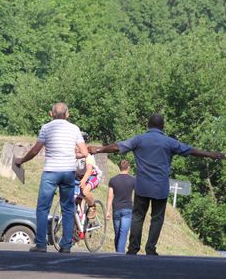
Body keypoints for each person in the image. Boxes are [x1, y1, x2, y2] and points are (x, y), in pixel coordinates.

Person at [90, 114, 225, 256]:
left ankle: (133, 248)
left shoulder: (139, 139)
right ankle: (150, 248)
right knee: (157, 218)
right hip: (160, 187)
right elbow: (191, 150)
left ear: (148, 125)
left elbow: (117, 147)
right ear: (163, 126)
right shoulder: (169, 142)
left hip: (142, 186)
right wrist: (210, 154)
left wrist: (99, 149)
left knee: (138, 217)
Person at [14, 102, 88, 253]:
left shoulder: (46, 128)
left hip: (50, 172)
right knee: (68, 208)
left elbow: (35, 150)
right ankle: (66, 245)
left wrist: (21, 160)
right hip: (68, 172)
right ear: (67, 114)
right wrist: (70, 154)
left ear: (51, 114)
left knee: (42, 208)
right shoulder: (74, 129)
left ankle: (41, 244)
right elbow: (84, 152)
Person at [106, 159, 136, 253]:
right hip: (128, 209)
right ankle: (120, 255)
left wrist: (107, 211)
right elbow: (137, 196)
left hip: (116, 209)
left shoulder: (113, 180)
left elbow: (110, 196)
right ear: (128, 167)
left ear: (119, 167)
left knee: (118, 233)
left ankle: (118, 253)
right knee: (123, 234)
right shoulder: (133, 180)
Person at [74, 142, 102, 219]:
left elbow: (89, 170)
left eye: (78, 146)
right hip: (79, 177)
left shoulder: (88, 156)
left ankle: (92, 207)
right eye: (75, 146)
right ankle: (79, 224)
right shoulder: (72, 156)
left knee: (85, 191)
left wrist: (83, 181)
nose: (76, 148)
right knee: (75, 200)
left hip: (93, 176)